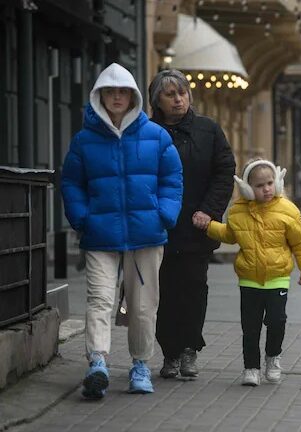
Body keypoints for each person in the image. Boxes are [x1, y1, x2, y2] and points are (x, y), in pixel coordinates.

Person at [61, 63, 183, 399]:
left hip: (146, 234)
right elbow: (71, 182)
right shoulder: (84, 140)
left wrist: (165, 215)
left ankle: (140, 365)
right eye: (110, 92)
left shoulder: (156, 136)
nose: (117, 97)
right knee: (100, 299)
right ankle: (97, 361)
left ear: (133, 96)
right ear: (100, 96)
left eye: (123, 91)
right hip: (100, 234)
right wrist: (82, 217)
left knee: (141, 307)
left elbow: (172, 179)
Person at [148, 69, 236, 380]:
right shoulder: (147, 131)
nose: (178, 99)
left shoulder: (208, 129)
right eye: (170, 94)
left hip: (197, 226)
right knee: (163, 292)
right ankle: (169, 352)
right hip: (158, 226)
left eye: (182, 92)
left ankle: (189, 350)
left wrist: (209, 211)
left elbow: (225, 172)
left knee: (194, 288)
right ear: (157, 100)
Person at [204, 159, 301, 386]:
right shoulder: (237, 211)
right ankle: (251, 368)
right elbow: (230, 235)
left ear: (277, 182)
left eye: (270, 183)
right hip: (249, 279)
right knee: (250, 326)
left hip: (278, 277)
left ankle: (273, 358)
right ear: (246, 188)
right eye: (259, 185)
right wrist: (209, 226)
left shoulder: (287, 209)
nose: (266, 189)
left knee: (277, 320)